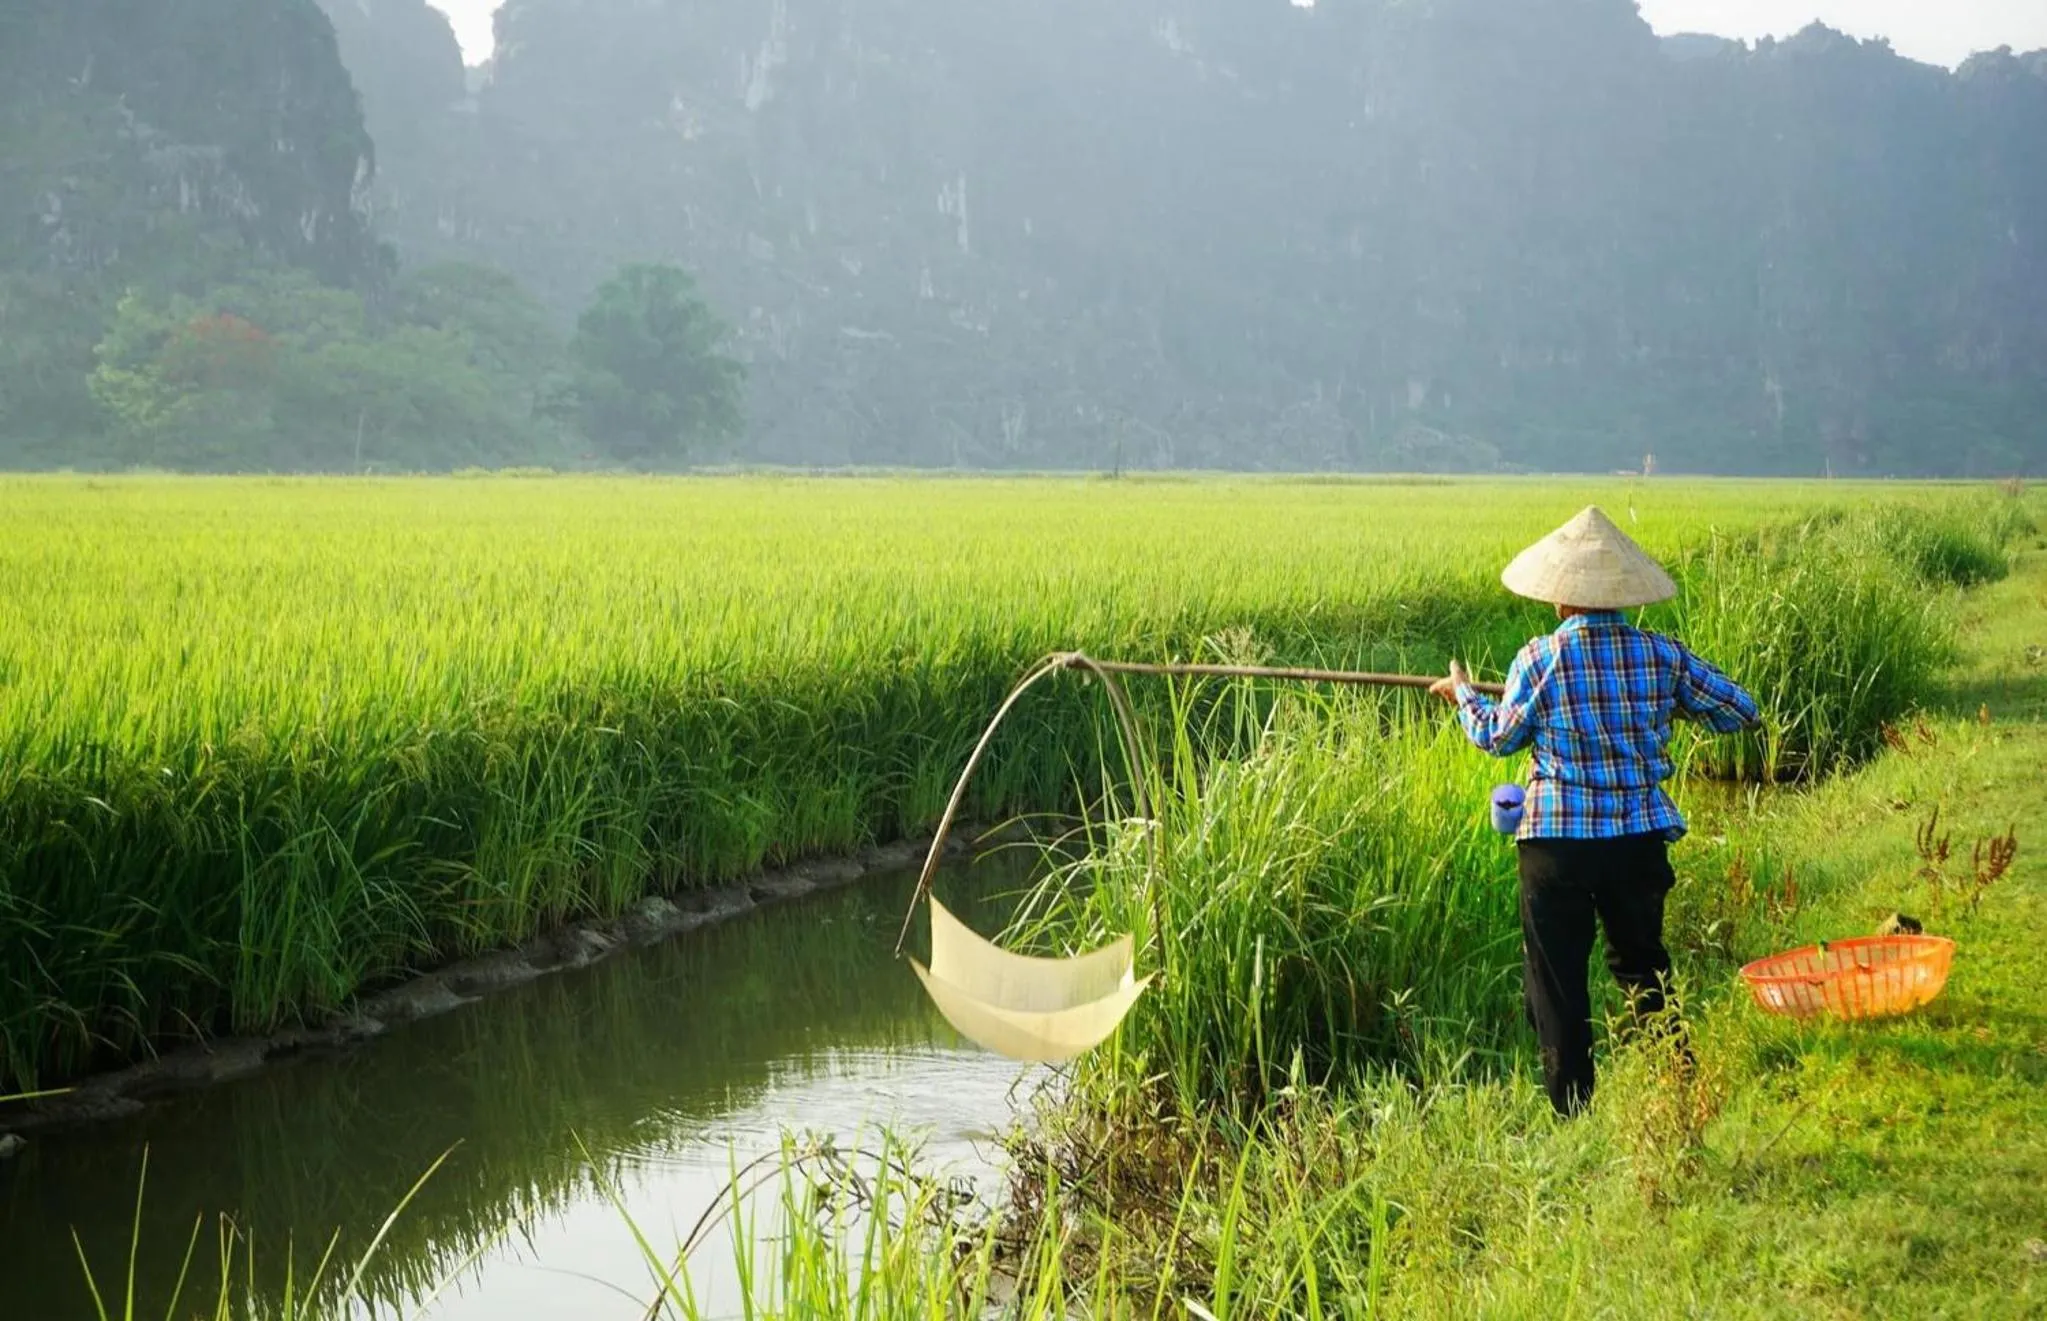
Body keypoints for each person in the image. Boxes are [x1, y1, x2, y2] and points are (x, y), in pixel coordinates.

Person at [1429, 506, 1760, 1117]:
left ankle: (1571, 1108)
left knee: (1557, 979)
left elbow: (1499, 738)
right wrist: (1673, 708)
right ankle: (1679, 1086)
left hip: (1557, 843)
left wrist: (1464, 695)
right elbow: (1741, 709)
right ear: (1623, 598)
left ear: (1561, 601)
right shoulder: (1664, 657)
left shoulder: (1539, 658)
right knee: (1642, 965)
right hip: (1637, 841)